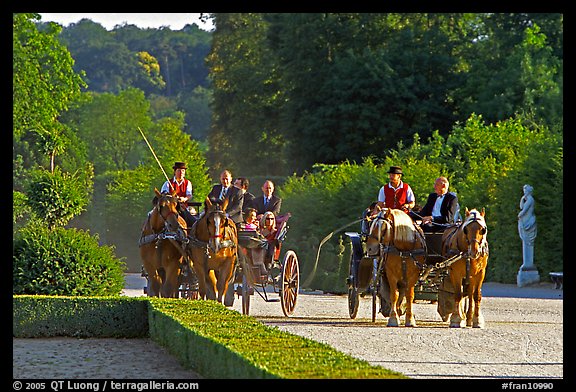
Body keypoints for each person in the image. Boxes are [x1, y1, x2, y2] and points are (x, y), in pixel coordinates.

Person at [159, 161, 196, 227]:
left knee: (193, 222)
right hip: (170, 209)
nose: (181, 173)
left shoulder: (188, 183)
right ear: (175, 172)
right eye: (179, 170)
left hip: (182, 208)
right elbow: (163, 196)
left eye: (183, 171)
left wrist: (184, 199)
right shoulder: (167, 183)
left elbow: (189, 195)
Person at [518, 184, 537, 269]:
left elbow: (524, 211)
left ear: (529, 191)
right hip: (525, 221)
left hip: (528, 222)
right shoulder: (527, 199)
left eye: (525, 190)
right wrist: (522, 198)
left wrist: (519, 215)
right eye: (523, 190)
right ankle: (526, 263)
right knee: (525, 242)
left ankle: (528, 264)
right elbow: (521, 207)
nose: (524, 192)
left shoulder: (530, 200)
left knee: (528, 242)